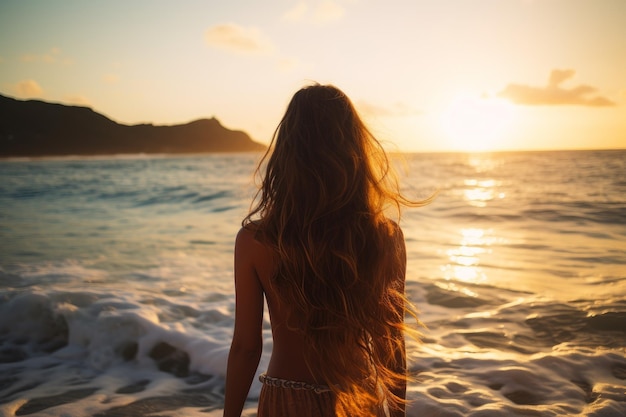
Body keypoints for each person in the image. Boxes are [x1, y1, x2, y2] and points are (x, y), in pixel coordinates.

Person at [223, 84, 427, 417]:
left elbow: (247, 347)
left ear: (286, 152)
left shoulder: (255, 240)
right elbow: (389, 344)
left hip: (285, 402)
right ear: (354, 150)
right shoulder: (384, 237)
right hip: (357, 402)